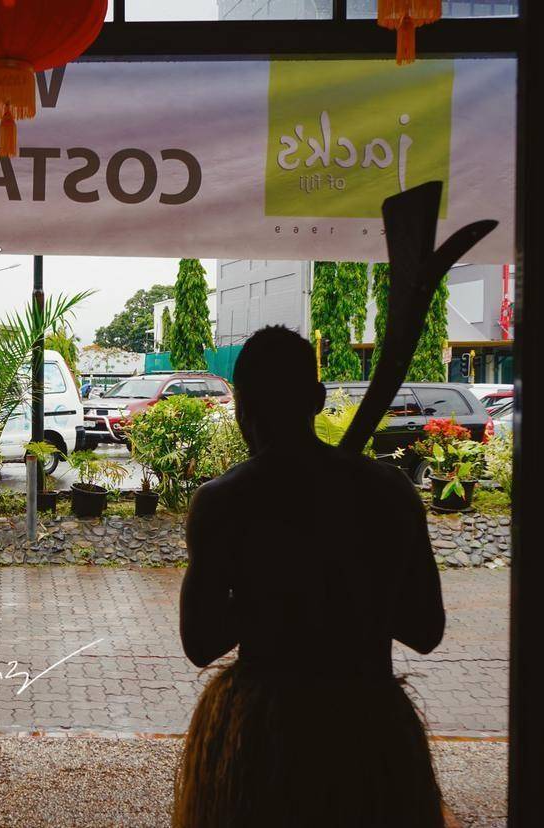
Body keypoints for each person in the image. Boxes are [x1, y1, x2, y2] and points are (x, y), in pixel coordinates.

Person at [173, 325, 447, 828]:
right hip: (368, 738)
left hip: (262, 748)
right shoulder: (388, 492)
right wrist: (357, 588)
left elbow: (201, 641)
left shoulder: (225, 502)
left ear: (241, 407)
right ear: (318, 399)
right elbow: (426, 629)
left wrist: (272, 590)